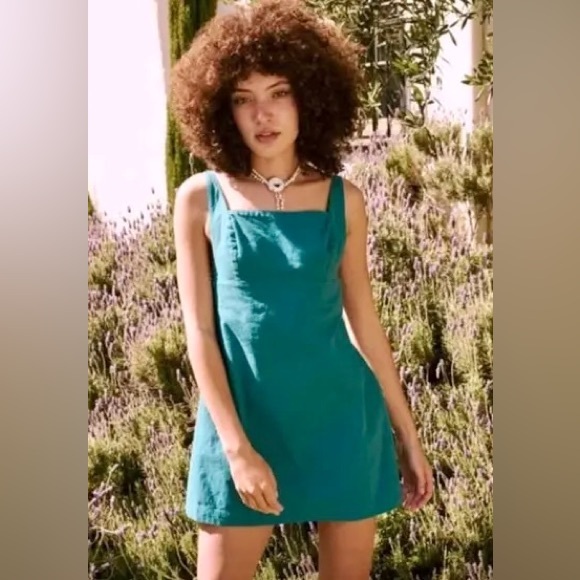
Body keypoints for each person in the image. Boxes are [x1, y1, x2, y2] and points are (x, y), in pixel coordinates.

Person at [170, 1, 433, 578]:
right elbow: (200, 333)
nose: (262, 114)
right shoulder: (200, 198)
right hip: (243, 424)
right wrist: (236, 449)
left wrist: (408, 437)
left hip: (341, 423)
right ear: (221, 109)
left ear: (309, 98)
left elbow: (364, 324)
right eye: (243, 98)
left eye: (279, 92)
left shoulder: (344, 200)